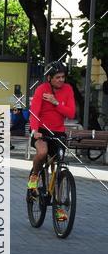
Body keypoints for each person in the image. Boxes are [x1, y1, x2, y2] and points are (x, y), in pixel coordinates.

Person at [27, 63, 75, 219]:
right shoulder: (42, 89)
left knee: (59, 167)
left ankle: (58, 207)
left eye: (63, 77)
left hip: (58, 132)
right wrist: (35, 131)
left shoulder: (67, 89)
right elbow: (34, 111)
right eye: (57, 77)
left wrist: (56, 102)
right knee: (43, 152)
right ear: (49, 78)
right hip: (40, 130)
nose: (61, 80)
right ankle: (34, 176)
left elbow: (71, 113)